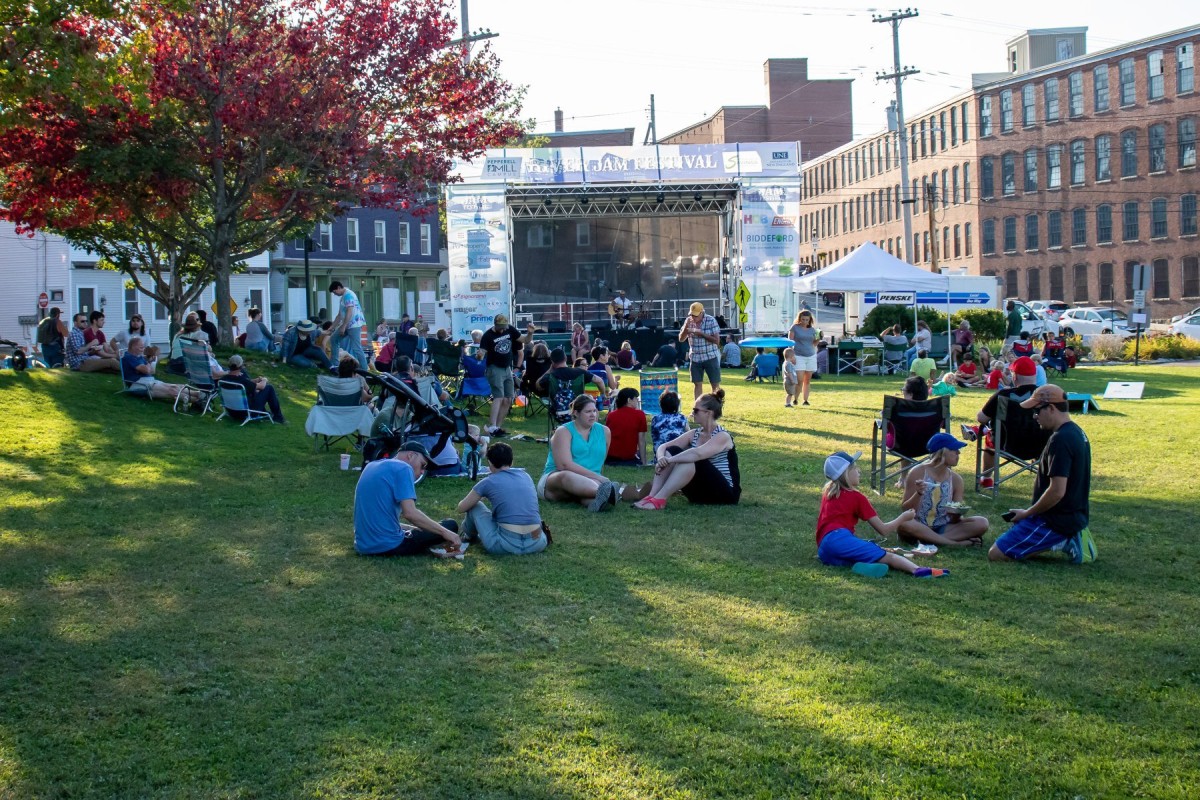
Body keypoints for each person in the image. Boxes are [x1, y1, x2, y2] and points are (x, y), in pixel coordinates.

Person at [989, 384, 1096, 564]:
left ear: (1052, 408)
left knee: (997, 554)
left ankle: (1065, 540)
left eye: (1037, 411)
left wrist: (1028, 513)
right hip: (1070, 515)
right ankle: (1072, 532)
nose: (1034, 416)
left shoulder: (1060, 440)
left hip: (1054, 521)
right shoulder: (1077, 432)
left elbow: (1057, 491)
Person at [815, 451, 947, 578]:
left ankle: (864, 566)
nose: (859, 471)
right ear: (845, 474)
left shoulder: (829, 493)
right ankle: (919, 570)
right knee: (888, 556)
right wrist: (903, 517)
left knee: (858, 554)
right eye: (855, 468)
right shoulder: (857, 497)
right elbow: (883, 530)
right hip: (840, 540)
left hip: (824, 550)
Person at [353, 442, 463, 557]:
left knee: (430, 529)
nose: (422, 472)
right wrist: (446, 533)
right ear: (411, 455)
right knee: (450, 525)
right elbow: (410, 513)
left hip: (363, 545)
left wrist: (416, 528)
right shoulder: (403, 468)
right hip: (389, 546)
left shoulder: (371, 466)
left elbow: (379, 518)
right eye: (422, 465)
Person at [635, 389, 740, 509]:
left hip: (725, 494)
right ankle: (652, 496)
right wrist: (661, 458)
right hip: (699, 493)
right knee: (674, 450)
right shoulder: (694, 433)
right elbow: (663, 447)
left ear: (708, 413)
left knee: (690, 459)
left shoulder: (722, 436)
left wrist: (670, 460)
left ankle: (659, 500)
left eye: (696, 410)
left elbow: (698, 454)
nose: (692, 413)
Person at [898, 433, 990, 548]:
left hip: (943, 526)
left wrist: (956, 513)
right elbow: (905, 510)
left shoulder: (956, 479)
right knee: (904, 523)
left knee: (981, 522)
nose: (958, 453)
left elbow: (956, 518)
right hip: (918, 524)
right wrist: (918, 493)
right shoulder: (918, 472)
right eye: (954, 450)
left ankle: (929, 540)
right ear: (942, 452)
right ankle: (954, 543)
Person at [456, 443, 548, 556]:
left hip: (503, 545)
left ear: (490, 463)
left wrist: (476, 497)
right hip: (537, 542)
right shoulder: (525, 476)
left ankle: (468, 536)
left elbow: (461, 508)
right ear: (512, 461)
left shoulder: (487, 482)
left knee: (476, 506)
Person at [968, 355, 1039, 488]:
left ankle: (987, 478)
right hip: (1039, 447)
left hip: (1007, 446)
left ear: (1015, 376)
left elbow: (981, 418)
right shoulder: (1046, 394)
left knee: (990, 437)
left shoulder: (1003, 395)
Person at [539, 394, 619, 512]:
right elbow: (564, 465)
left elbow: (600, 462)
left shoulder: (605, 431)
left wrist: (597, 477)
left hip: (589, 479)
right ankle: (607, 493)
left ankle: (598, 501)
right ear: (576, 413)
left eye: (594, 411)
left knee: (590, 490)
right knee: (567, 475)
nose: (593, 415)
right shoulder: (563, 431)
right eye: (588, 412)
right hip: (557, 478)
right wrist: (599, 478)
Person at [479, 313, 524, 437]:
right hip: (494, 368)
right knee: (498, 397)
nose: (503, 329)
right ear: (495, 325)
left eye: (504, 327)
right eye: (501, 327)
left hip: (507, 368)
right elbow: (482, 352)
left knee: (509, 398)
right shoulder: (487, 336)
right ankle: (491, 426)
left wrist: (530, 333)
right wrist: (479, 355)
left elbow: (524, 340)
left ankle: (497, 428)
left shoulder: (510, 329)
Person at [119, 336, 186, 401]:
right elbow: (147, 370)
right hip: (138, 384)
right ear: (133, 346)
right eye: (141, 347)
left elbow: (152, 371)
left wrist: (151, 362)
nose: (143, 349)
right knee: (172, 390)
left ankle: (196, 394)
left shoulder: (139, 357)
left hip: (149, 381)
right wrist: (149, 362)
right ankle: (193, 400)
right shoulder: (129, 357)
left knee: (175, 386)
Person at [223, 354, 285, 423]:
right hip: (246, 413)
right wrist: (264, 380)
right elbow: (262, 386)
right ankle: (278, 417)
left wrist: (256, 380)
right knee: (269, 388)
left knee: (254, 392)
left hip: (231, 412)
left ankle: (264, 413)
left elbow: (248, 384)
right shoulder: (243, 382)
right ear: (240, 366)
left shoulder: (224, 379)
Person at [679, 301, 721, 400]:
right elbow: (681, 339)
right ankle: (697, 409)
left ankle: (717, 408)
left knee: (715, 384)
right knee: (697, 384)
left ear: (702, 312)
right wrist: (686, 328)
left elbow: (717, 341)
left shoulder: (711, 320)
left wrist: (701, 334)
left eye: (696, 315)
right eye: (692, 315)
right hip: (695, 357)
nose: (693, 317)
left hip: (710, 356)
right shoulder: (688, 320)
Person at [329, 280, 368, 369]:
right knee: (334, 339)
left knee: (356, 347)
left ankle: (364, 369)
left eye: (335, 292)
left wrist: (343, 326)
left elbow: (350, 312)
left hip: (354, 324)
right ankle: (335, 364)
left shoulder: (348, 295)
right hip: (347, 324)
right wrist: (332, 327)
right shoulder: (343, 297)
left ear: (339, 287)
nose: (335, 294)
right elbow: (339, 315)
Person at [604, 387, 648, 466]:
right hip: (628, 457)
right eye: (636, 399)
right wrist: (644, 462)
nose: (637, 401)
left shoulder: (611, 415)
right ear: (629, 400)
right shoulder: (640, 415)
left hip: (610, 457)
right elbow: (641, 440)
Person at [788, 309, 819, 405]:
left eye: (807, 320)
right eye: (803, 319)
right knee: (799, 379)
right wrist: (791, 355)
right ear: (799, 319)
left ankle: (805, 400)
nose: (805, 321)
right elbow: (790, 342)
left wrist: (819, 338)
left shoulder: (813, 330)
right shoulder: (794, 328)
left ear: (810, 320)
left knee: (807, 380)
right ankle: (795, 399)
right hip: (798, 355)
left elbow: (814, 344)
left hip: (811, 356)